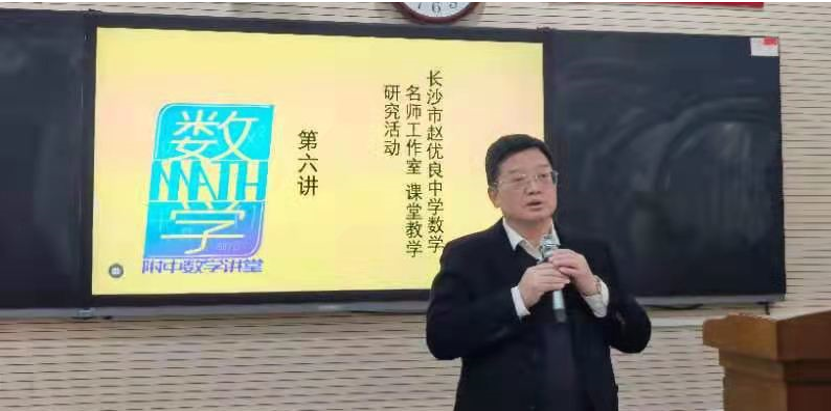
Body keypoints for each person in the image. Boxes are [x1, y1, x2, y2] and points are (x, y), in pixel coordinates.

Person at [426, 134, 651, 411]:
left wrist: (594, 291)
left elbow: (636, 338)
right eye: (518, 180)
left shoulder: (591, 252)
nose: (534, 188)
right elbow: (442, 340)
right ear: (493, 195)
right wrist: (517, 299)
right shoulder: (467, 255)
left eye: (543, 176)